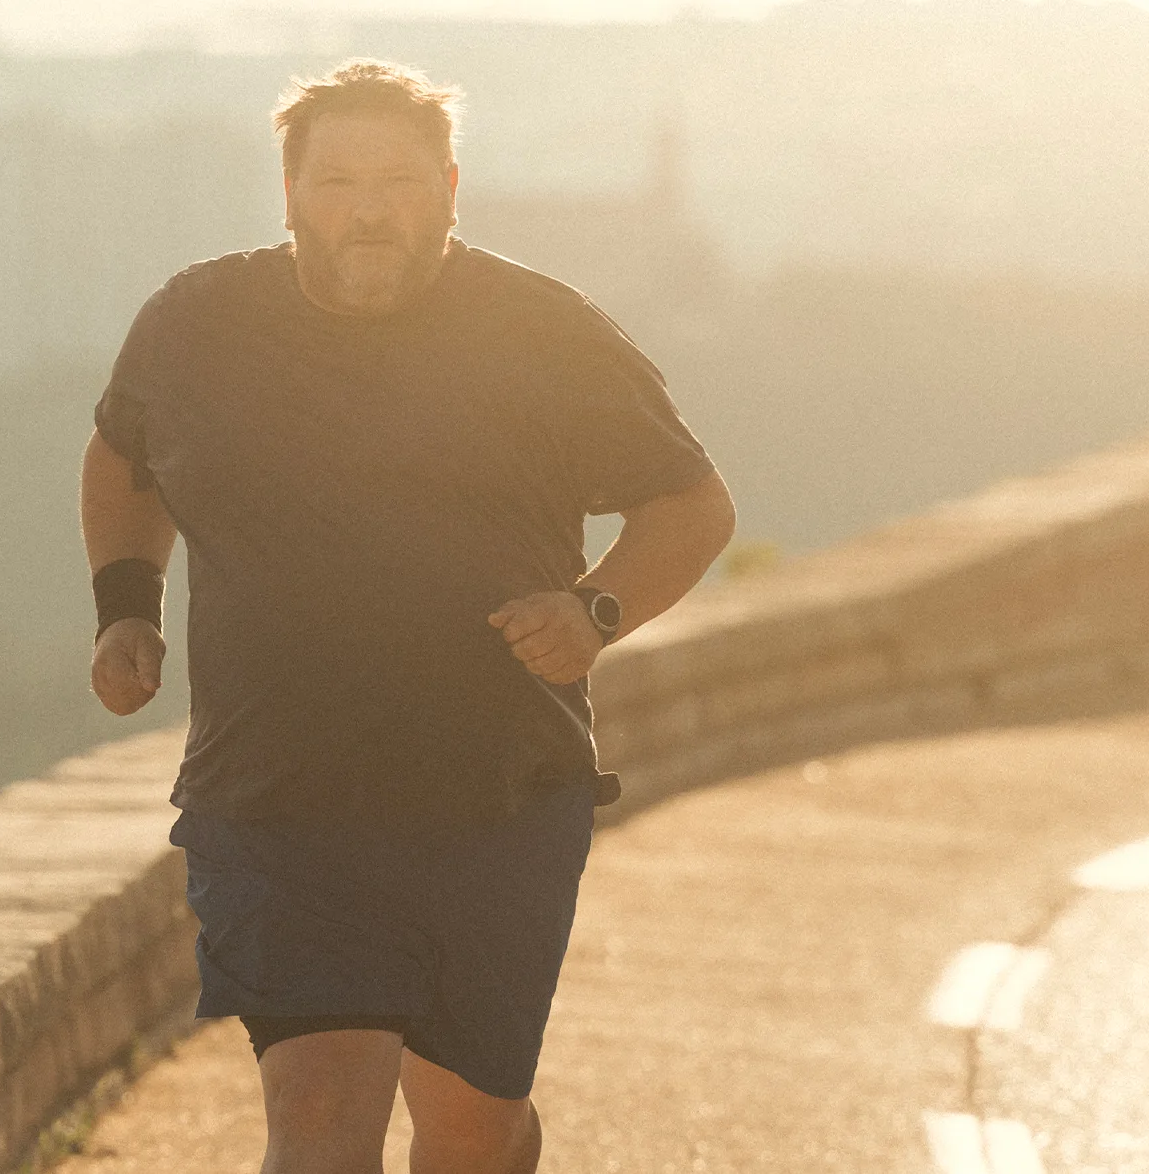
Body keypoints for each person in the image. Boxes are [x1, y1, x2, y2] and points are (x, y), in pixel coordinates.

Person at [79, 58, 735, 1174]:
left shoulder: (541, 331)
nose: (369, 208)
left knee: (472, 1125)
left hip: (495, 797)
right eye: (337, 182)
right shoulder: (197, 322)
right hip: (274, 797)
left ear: (448, 188)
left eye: (398, 180)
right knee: (321, 1107)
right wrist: (123, 609)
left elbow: (691, 505)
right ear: (290, 195)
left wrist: (593, 609)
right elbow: (124, 455)